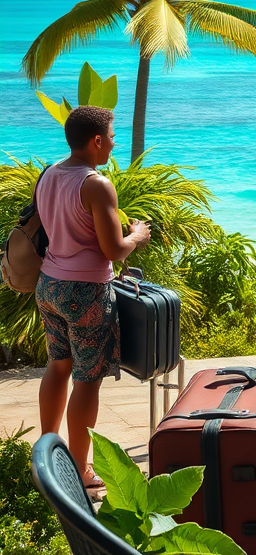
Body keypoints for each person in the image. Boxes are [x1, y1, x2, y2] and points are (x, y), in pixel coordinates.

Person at [35, 106, 150, 498]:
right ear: (96, 140)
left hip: (49, 284)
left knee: (57, 366)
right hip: (84, 292)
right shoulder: (96, 184)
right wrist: (137, 235)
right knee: (87, 381)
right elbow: (114, 249)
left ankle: (47, 452)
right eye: (113, 137)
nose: (115, 143)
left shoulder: (50, 173)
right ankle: (81, 471)